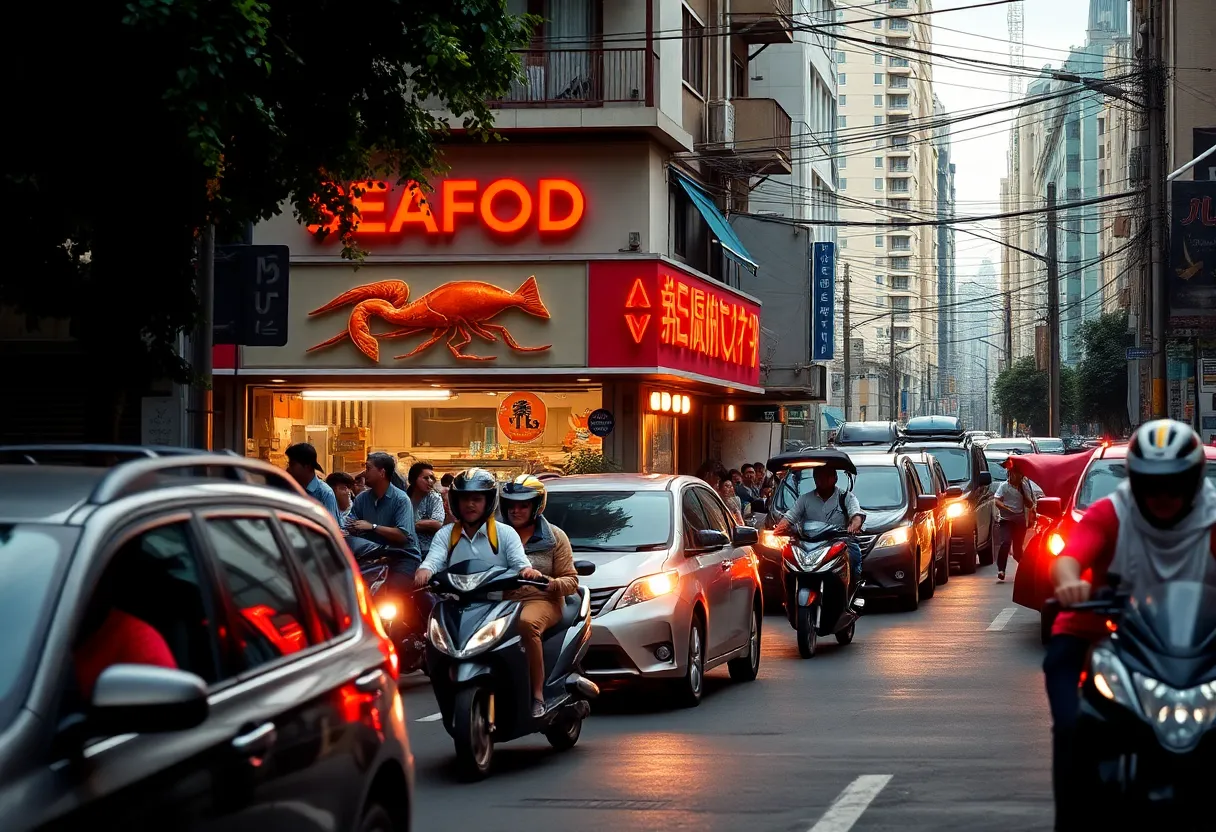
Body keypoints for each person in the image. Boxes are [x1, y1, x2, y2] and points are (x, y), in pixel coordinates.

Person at [1046, 419, 1216, 831]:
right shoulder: (1112, 512)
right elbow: (1070, 558)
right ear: (1135, 482)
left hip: (1195, 646)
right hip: (1101, 633)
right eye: (1151, 484)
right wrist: (1069, 583)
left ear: (1193, 482)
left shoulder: (1212, 517)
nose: (1162, 496)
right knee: (1073, 727)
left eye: (1174, 484)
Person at [499, 475, 580, 718]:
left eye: (523, 505)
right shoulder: (495, 535)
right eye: (511, 505)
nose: (515, 510)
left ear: (536, 506)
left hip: (541, 600)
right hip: (500, 601)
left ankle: (537, 695)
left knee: (527, 624)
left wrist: (547, 582)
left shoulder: (555, 537)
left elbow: (571, 581)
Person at [415, 467, 541, 595]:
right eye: (464, 499)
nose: (469, 504)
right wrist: (424, 570)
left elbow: (519, 563)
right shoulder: (445, 534)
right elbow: (433, 560)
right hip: (454, 603)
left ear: (488, 502)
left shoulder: (506, 533)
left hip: (498, 604)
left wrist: (527, 571)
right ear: (456, 502)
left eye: (477, 499)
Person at [774, 465, 865, 584]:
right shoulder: (804, 499)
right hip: (808, 545)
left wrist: (854, 525)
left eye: (826, 476)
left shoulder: (846, 497)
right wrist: (780, 529)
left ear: (835, 478)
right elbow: (789, 517)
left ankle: (854, 587)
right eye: (818, 476)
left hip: (838, 542)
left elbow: (856, 514)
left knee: (854, 556)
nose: (822, 479)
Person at [347, 452, 421, 590]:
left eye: (368, 468)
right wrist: (351, 527)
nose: (364, 473)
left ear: (382, 473)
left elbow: (402, 535)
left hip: (402, 557)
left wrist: (373, 527)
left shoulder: (401, 500)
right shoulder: (361, 499)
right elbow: (351, 523)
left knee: (394, 592)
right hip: (372, 555)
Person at [993, 457, 1039, 582]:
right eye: (1013, 474)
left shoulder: (1025, 487)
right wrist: (1006, 508)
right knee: (1006, 542)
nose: (1015, 476)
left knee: (1017, 550)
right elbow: (996, 501)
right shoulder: (1004, 486)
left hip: (1020, 521)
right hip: (1006, 520)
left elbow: (1030, 504)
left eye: (1018, 474)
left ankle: (1026, 570)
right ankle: (1001, 570)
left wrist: (1024, 494)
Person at [285, 443, 341, 523]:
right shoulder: (290, 489)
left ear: (307, 466)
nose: (288, 469)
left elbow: (331, 526)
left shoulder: (325, 493)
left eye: (292, 464)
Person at [406, 461, 446, 556]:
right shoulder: (404, 497)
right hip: (406, 550)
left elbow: (437, 523)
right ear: (413, 479)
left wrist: (408, 526)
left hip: (428, 551)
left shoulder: (434, 497)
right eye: (426, 478)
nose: (430, 481)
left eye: (432, 478)